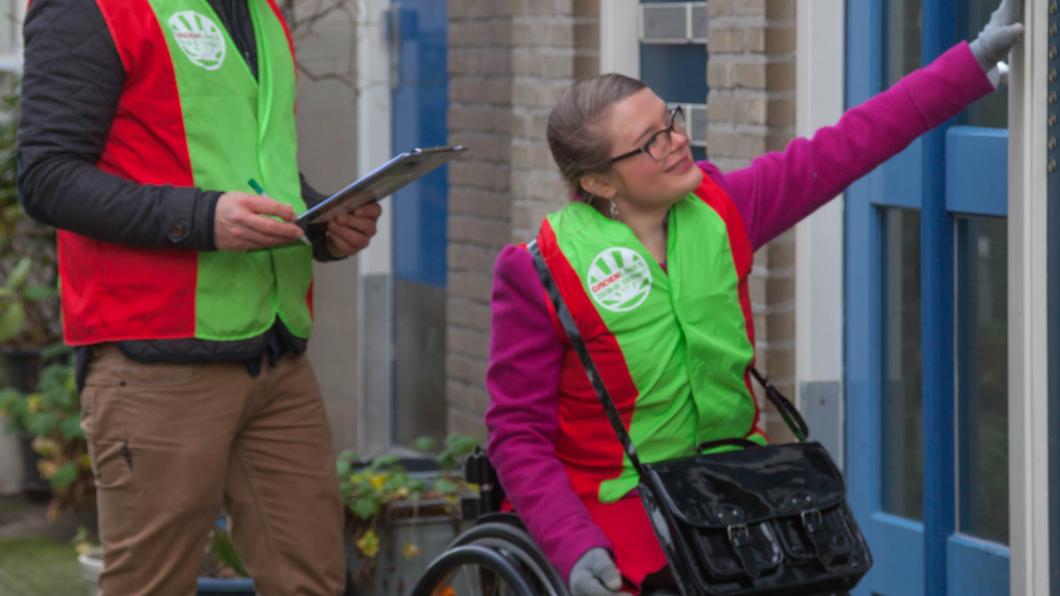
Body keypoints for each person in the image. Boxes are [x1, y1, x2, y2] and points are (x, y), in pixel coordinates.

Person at [484, 1, 1024, 595]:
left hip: (736, 503)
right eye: (651, 142)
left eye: (672, 121)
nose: (678, 142)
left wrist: (973, 62)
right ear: (598, 182)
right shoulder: (538, 270)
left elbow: (847, 146)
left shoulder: (722, 208)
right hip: (619, 527)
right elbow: (516, 433)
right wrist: (572, 545)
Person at [17, 1, 379, 594]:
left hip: (275, 353)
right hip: (153, 357)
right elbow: (47, 176)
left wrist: (323, 222)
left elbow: (256, 166)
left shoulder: (261, 11)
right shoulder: (91, 6)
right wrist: (202, 219)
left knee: (311, 581)